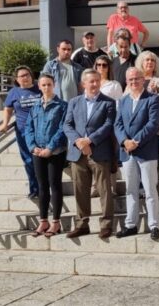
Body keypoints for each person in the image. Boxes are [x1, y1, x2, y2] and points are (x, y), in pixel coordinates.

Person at [63, 69, 117, 239]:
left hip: (99, 151)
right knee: (80, 190)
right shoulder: (74, 102)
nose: (94, 84)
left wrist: (90, 141)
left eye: (97, 81)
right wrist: (78, 142)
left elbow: (108, 125)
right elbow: (67, 125)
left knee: (104, 190)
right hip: (78, 154)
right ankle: (81, 225)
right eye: (91, 81)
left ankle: (106, 225)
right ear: (83, 84)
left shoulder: (108, 102)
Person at [115, 67, 159, 240]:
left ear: (144, 80)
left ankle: (154, 226)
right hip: (127, 153)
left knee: (150, 190)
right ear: (126, 81)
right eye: (130, 79)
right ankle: (131, 224)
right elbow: (118, 124)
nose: (133, 82)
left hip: (146, 151)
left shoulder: (153, 99)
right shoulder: (123, 101)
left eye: (136, 79)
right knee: (131, 190)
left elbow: (153, 124)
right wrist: (124, 141)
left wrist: (135, 141)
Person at [24, 74, 67, 237]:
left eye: (49, 84)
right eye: (43, 85)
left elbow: (62, 129)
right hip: (37, 151)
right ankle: (43, 221)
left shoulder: (62, 105)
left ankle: (56, 222)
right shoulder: (35, 106)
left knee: (54, 185)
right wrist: (32, 147)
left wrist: (50, 147)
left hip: (55, 152)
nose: (46, 88)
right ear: (39, 86)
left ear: (54, 85)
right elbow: (28, 128)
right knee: (42, 186)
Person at [0, 66, 41, 199]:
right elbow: (8, 109)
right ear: (17, 79)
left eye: (27, 74)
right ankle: (35, 189)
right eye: (22, 76)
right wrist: (5, 124)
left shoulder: (40, 88)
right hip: (23, 131)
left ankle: (44, 188)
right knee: (29, 160)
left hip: (41, 130)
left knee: (41, 160)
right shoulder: (14, 92)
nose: (25, 77)